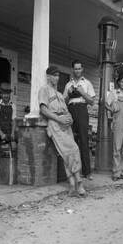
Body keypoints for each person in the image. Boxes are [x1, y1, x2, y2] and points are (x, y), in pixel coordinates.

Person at [39, 66, 86, 197]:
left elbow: (66, 111)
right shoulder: (44, 90)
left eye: (58, 75)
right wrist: (58, 119)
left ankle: (71, 185)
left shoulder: (59, 94)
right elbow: (43, 110)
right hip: (55, 124)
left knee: (66, 155)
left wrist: (69, 119)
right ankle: (79, 182)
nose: (57, 78)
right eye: (54, 75)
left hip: (65, 124)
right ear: (48, 76)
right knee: (73, 149)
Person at [63, 60, 96, 180]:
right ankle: (72, 171)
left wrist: (82, 92)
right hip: (70, 110)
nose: (77, 71)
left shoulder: (87, 83)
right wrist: (68, 94)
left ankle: (87, 172)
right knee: (71, 141)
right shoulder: (68, 84)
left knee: (83, 140)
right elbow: (64, 102)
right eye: (75, 69)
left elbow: (92, 101)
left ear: (82, 69)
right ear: (72, 70)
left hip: (82, 110)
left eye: (79, 68)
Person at [0, 82, 17, 146]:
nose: (6, 96)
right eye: (4, 93)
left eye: (8, 93)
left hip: (9, 133)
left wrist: (13, 133)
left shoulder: (13, 106)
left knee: (15, 147)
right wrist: (1, 134)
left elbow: (14, 120)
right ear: (1, 94)